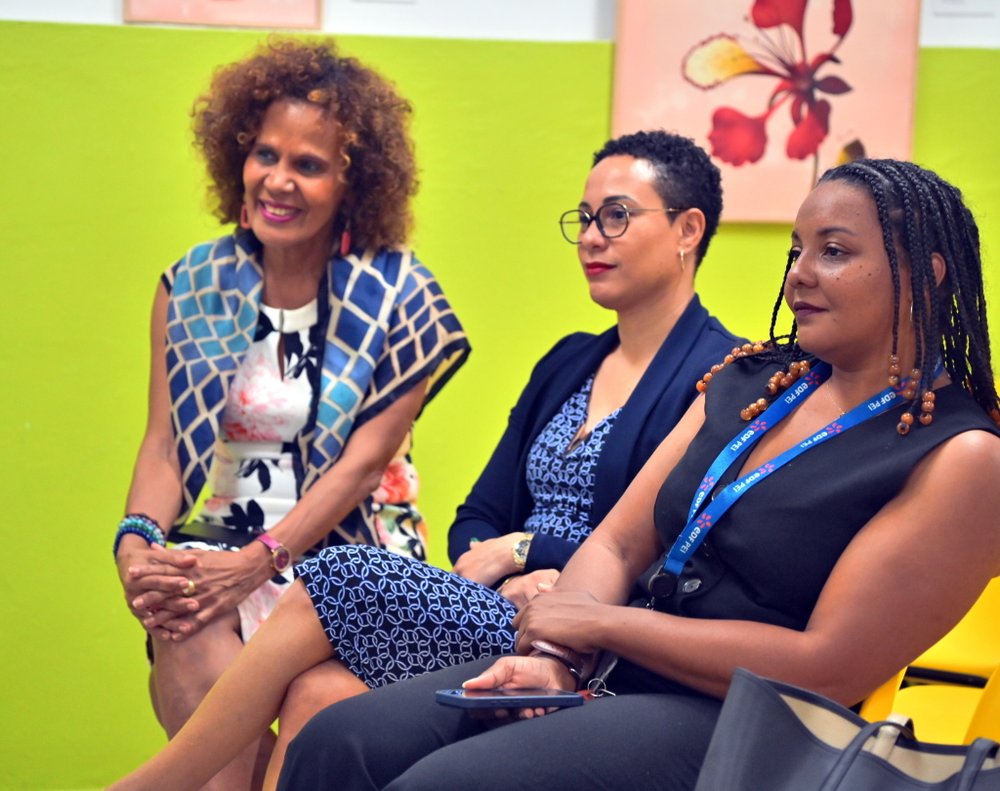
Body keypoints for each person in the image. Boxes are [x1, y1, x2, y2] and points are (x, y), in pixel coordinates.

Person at [277, 158, 1000, 791]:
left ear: (925, 275)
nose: (798, 274)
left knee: (443, 785)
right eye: (796, 249)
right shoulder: (752, 381)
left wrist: (599, 623)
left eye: (834, 251)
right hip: (610, 665)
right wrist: (552, 657)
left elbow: (826, 668)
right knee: (341, 739)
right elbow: (619, 542)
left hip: (748, 723)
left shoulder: (961, 454)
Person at [108, 131, 743, 790]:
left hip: (588, 637)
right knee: (318, 692)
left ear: (687, 229)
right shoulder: (569, 362)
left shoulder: (721, 377)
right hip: (500, 608)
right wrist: (502, 567)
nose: (590, 237)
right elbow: (476, 517)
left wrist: (525, 552)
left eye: (616, 216)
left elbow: (670, 549)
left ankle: (151, 784)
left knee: (343, 575)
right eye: (583, 219)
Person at [112, 38, 469, 789]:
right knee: (181, 620)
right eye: (265, 155)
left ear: (351, 183)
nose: (278, 180)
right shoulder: (190, 283)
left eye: (307, 164)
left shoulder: (403, 296)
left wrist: (259, 562)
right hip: (216, 550)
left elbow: (361, 469)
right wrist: (136, 544)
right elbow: (164, 446)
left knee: (317, 703)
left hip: (352, 557)